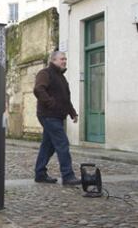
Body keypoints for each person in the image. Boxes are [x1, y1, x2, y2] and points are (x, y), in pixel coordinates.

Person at [33, 51, 81, 186]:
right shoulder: (45, 73)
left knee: (48, 146)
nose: (64, 61)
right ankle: (68, 176)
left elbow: (65, 99)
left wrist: (72, 113)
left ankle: (40, 174)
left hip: (57, 116)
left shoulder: (61, 78)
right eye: (62, 59)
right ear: (53, 60)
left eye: (65, 59)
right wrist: (51, 103)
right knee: (62, 143)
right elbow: (38, 89)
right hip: (48, 115)